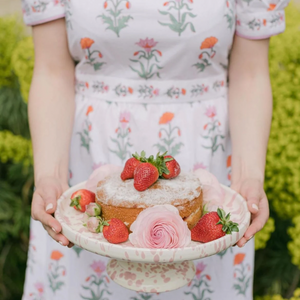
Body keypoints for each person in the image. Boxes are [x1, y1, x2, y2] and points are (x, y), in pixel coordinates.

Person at [21, 0, 289, 299]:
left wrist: (248, 176)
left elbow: (249, 75)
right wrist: (50, 175)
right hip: (87, 162)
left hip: (207, 166)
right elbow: (52, 71)